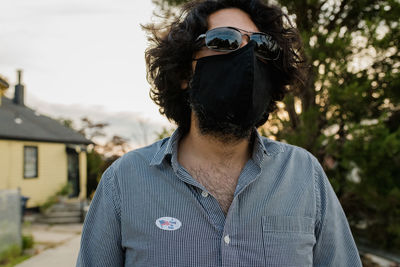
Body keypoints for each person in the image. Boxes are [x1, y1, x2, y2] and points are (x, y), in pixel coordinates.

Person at [77, 0, 362, 266]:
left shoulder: (303, 175)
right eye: (225, 41)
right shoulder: (124, 180)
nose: (247, 58)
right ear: (183, 74)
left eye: (262, 47)